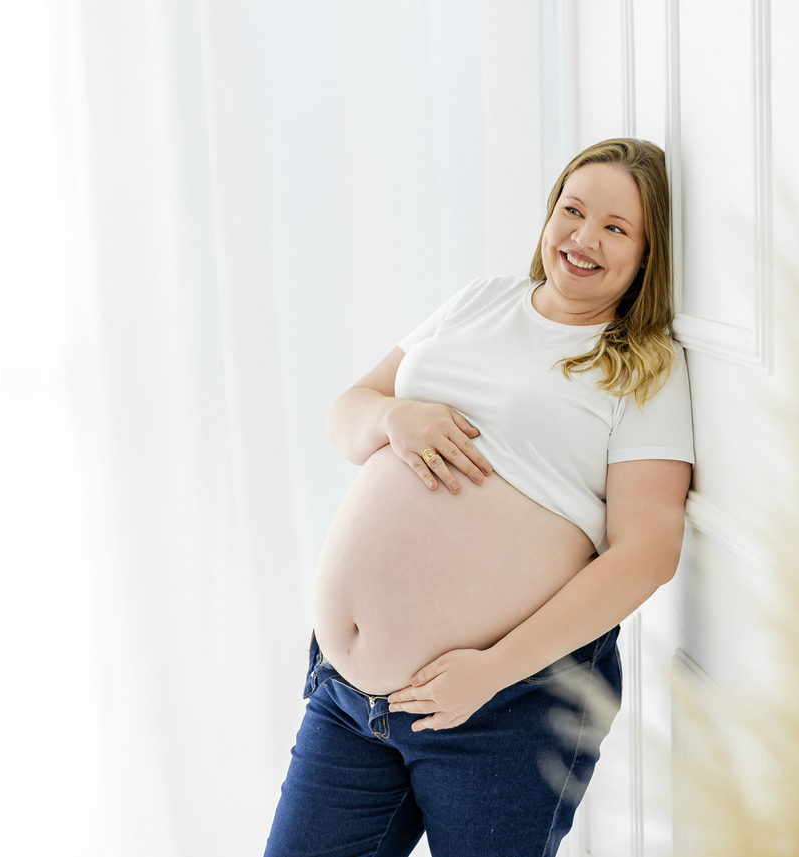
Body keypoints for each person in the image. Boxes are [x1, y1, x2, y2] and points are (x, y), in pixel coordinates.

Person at [263, 138, 694, 857]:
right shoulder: (482, 300)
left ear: (648, 255)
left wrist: (492, 670)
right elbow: (347, 412)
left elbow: (647, 553)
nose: (584, 237)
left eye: (616, 228)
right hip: (348, 698)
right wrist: (395, 417)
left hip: (501, 708)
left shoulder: (647, 366)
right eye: (573, 210)